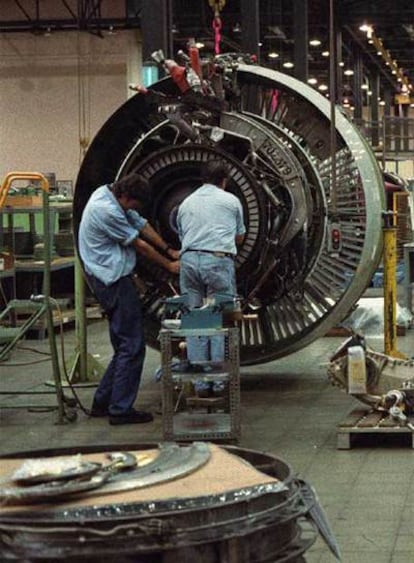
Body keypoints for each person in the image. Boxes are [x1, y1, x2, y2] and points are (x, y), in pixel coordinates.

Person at [78, 172, 179, 425]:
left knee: (123, 346)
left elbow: (141, 224)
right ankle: (121, 410)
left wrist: (168, 249)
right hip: (112, 280)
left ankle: (103, 402)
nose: (133, 210)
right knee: (133, 346)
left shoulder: (108, 193)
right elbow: (140, 245)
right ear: (124, 196)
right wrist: (169, 265)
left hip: (111, 277)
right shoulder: (106, 210)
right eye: (133, 204)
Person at [176, 160, 246, 363]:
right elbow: (240, 237)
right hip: (217, 261)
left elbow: (183, 237)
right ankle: (216, 380)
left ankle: (200, 381)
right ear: (224, 181)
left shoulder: (186, 203)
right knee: (219, 318)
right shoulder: (231, 201)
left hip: (188, 262)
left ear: (203, 179)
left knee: (195, 320)